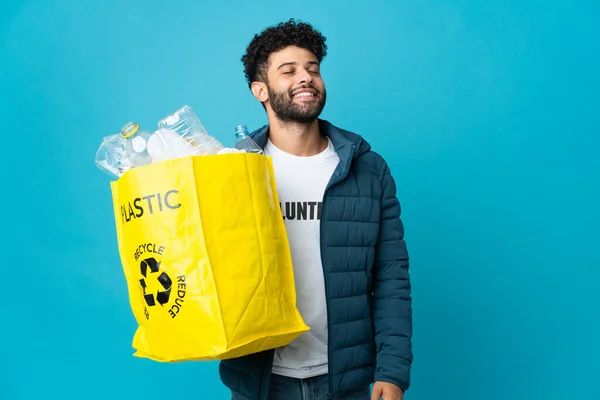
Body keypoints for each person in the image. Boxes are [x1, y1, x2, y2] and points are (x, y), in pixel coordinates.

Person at [219, 19, 413, 400]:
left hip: (346, 378)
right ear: (260, 90)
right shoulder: (233, 171)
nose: (305, 78)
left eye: (312, 69)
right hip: (261, 378)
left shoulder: (367, 169)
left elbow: (391, 276)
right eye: (288, 71)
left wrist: (393, 370)